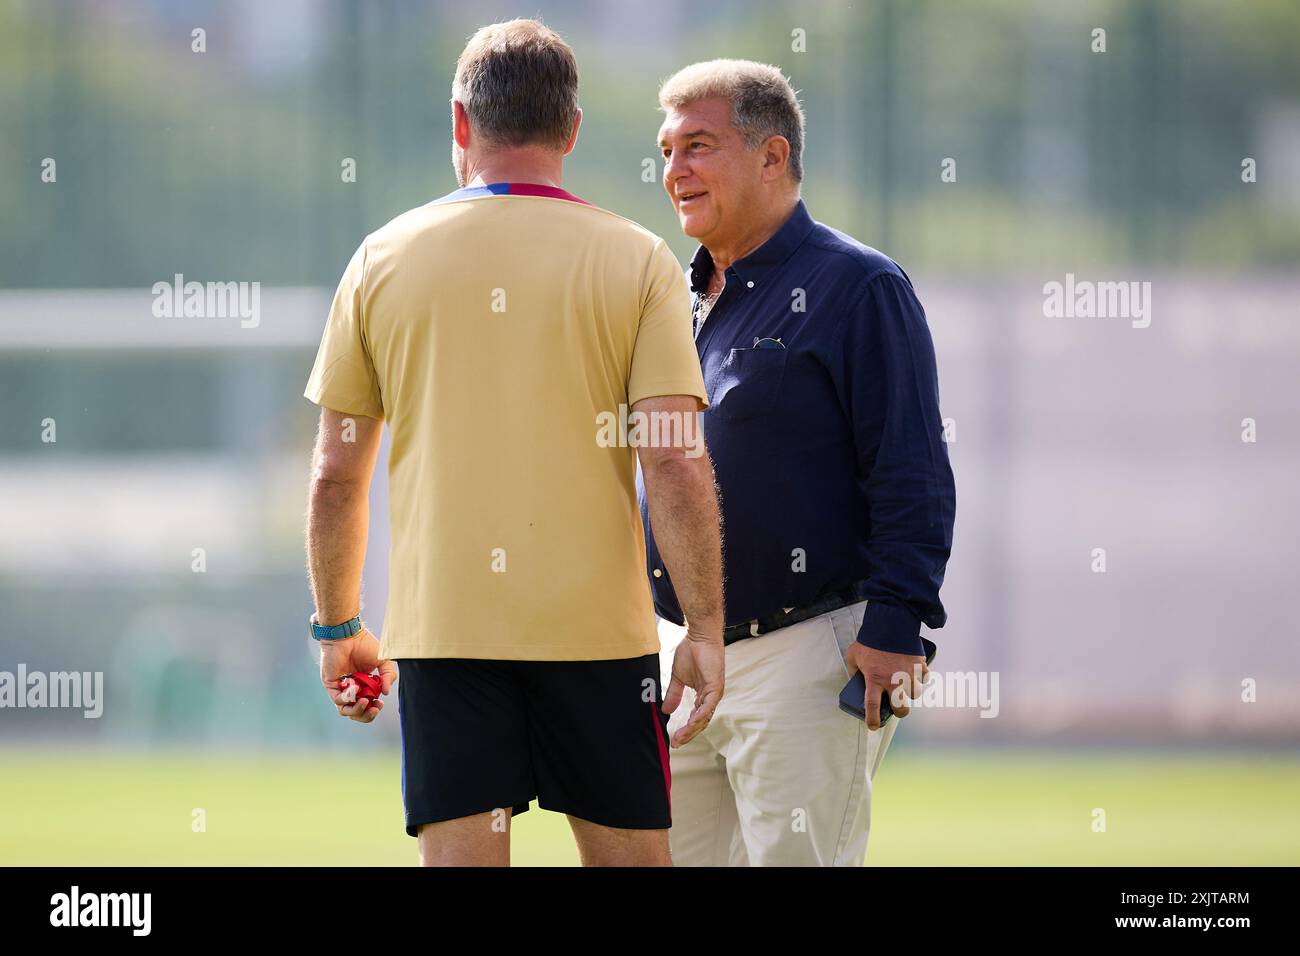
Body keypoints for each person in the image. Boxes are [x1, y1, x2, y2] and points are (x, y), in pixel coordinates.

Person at [303, 19, 724, 867]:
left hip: (445, 633)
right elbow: (674, 457)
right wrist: (705, 628)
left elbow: (336, 473)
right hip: (600, 640)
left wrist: (339, 625)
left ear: (461, 123)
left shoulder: (381, 258)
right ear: (572, 129)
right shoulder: (639, 261)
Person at [642, 59, 956, 866]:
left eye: (698, 146)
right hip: (682, 655)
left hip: (806, 655)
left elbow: (912, 473)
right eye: (667, 150)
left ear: (773, 156)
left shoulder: (860, 286)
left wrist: (896, 625)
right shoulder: (675, 300)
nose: (675, 170)